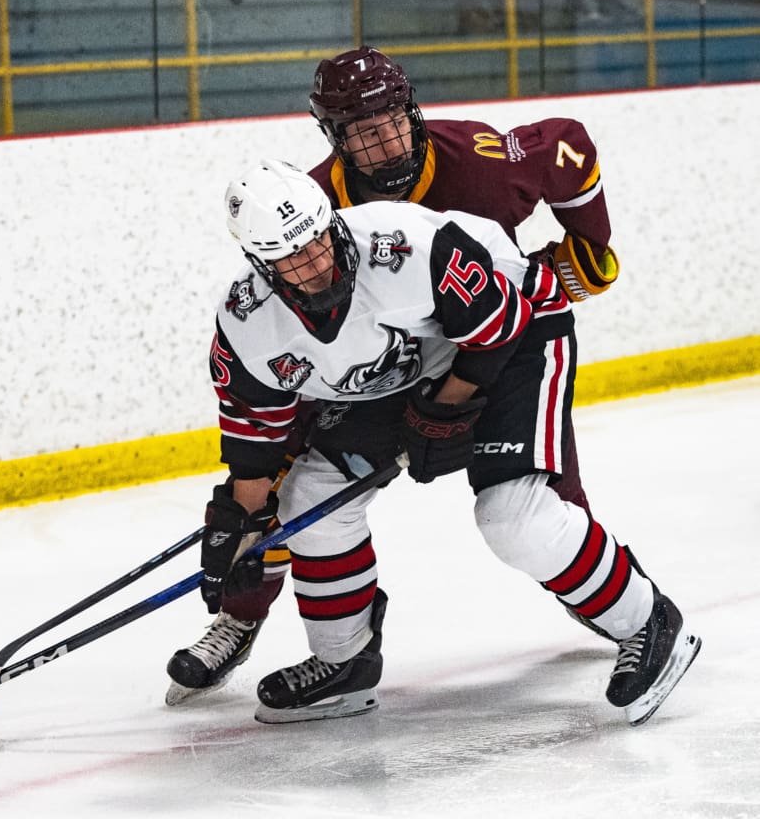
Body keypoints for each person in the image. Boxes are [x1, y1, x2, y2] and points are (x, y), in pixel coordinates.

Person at [166, 46, 622, 704]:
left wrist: (590, 244)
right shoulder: (314, 204)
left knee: (538, 488)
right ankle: (240, 613)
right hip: (371, 366)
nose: (381, 143)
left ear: (413, 111)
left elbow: (567, 150)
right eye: (359, 132)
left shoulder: (480, 160)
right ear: (334, 138)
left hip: (485, 346)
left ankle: (592, 591)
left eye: (389, 122)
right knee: (279, 481)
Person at [179, 157, 700, 725]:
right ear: (262, 266)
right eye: (292, 257)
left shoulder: (403, 246)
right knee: (308, 502)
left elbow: (499, 324)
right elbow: (255, 450)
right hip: (405, 371)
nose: (317, 262)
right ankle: (344, 664)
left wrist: (442, 414)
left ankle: (648, 621)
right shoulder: (246, 324)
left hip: (516, 331)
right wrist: (243, 533)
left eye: (319, 239)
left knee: (512, 517)